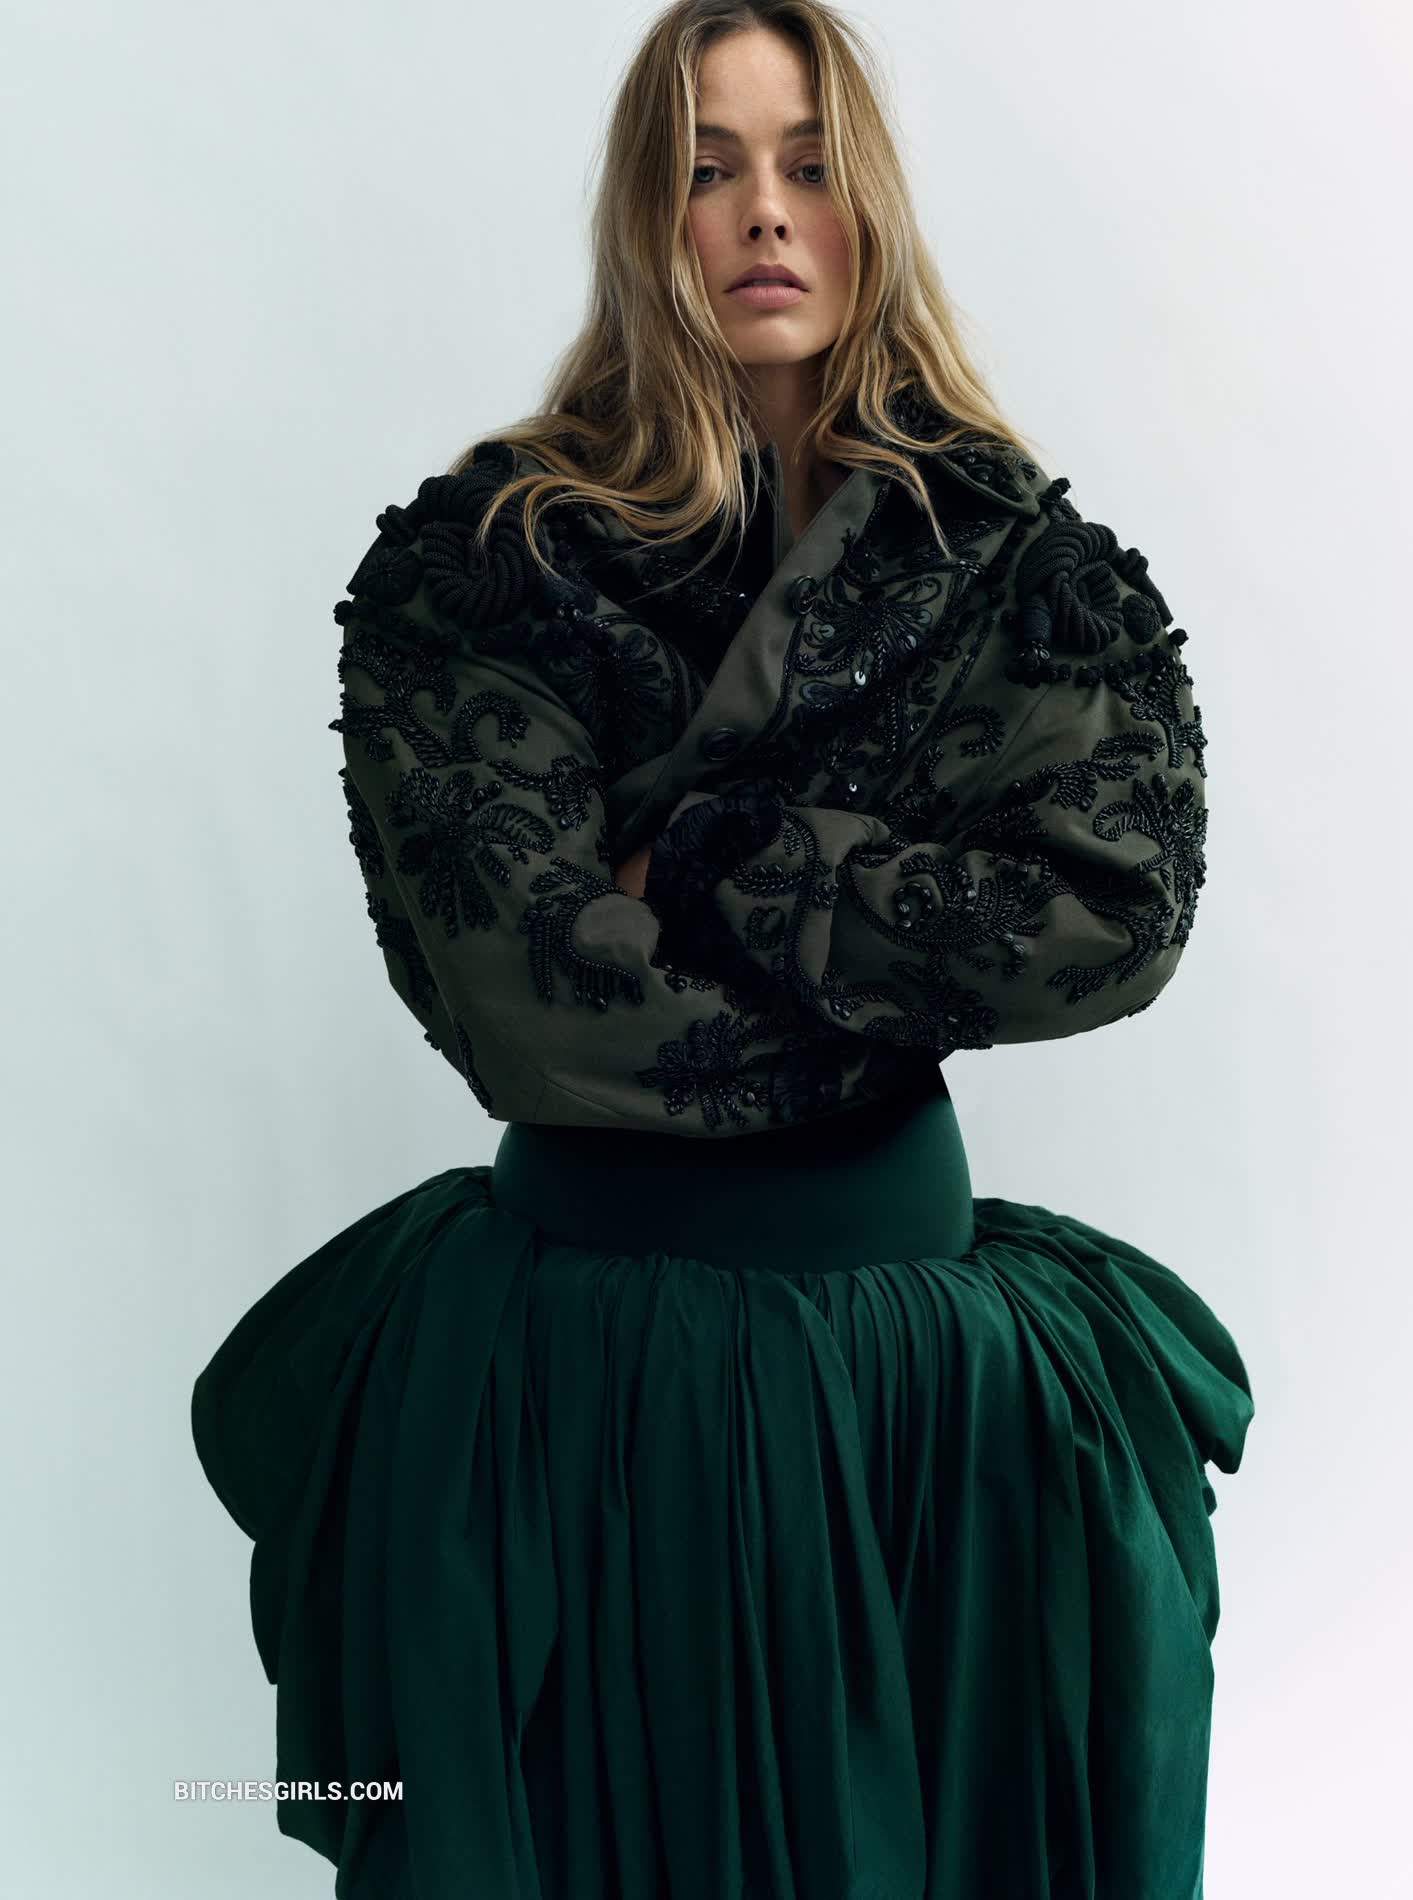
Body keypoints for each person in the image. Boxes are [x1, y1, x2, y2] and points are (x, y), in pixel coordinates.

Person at [191, 4, 1255, 1895]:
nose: (764, 211)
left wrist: (713, 855)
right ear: (644, 215)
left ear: (870, 207)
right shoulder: (487, 562)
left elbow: (1104, 921)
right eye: (706, 167)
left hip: (921, 1394)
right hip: (586, 1383)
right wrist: (895, 961)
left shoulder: (1014, 564)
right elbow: (531, 1000)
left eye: (809, 163)